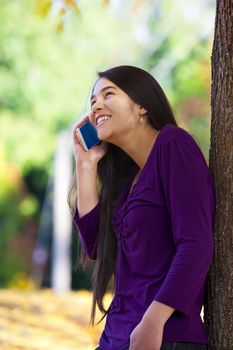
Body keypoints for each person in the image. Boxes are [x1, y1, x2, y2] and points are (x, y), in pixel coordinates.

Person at [68, 65, 216, 350]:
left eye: (108, 95)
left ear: (142, 106)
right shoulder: (127, 180)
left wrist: (153, 321)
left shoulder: (173, 145)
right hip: (115, 337)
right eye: (93, 101)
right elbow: (97, 245)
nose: (97, 105)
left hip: (161, 336)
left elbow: (196, 243)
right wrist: (84, 165)